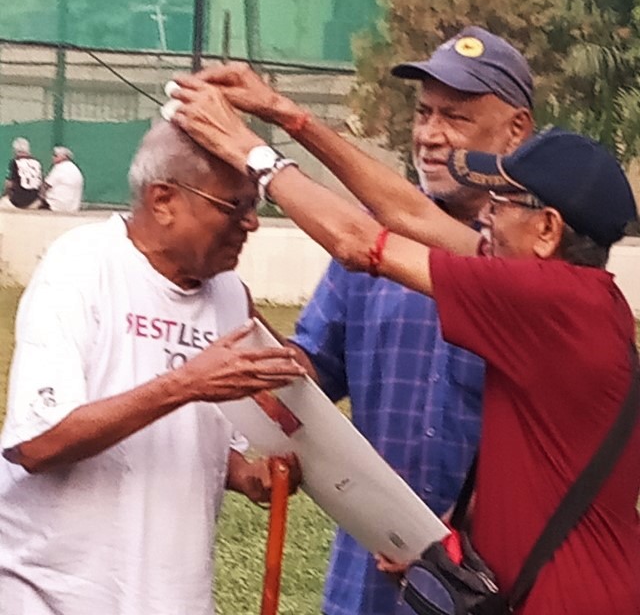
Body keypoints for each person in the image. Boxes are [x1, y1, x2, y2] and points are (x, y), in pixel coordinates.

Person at [169, 76, 640, 613]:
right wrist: (287, 115)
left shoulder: (546, 301)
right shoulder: (582, 300)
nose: (485, 215)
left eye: (502, 202)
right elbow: (412, 216)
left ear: (548, 230)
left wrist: (250, 152)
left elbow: (357, 242)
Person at [0, 120, 305, 615]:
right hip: (53, 596)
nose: (251, 223)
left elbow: (201, 442)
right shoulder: (82, 265)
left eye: (255, 206)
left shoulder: (231, 296)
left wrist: (248, 476)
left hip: (171, 596)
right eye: (235, 206)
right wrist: (186, 383)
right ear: (163, 200)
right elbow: (36, 444)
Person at [1, 137, 43, 209]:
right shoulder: (37, 162)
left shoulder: (15, 162)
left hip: (18, 201)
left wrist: (3, 194)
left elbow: (9, 184)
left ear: (15, 150)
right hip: (35, 200)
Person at [42, 146, 84, 212]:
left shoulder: (59, 167)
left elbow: (46, 185)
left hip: (55, 205)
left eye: (55, 155)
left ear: (64, 157)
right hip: (73, 207)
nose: (53, 157)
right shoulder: (75, 168)